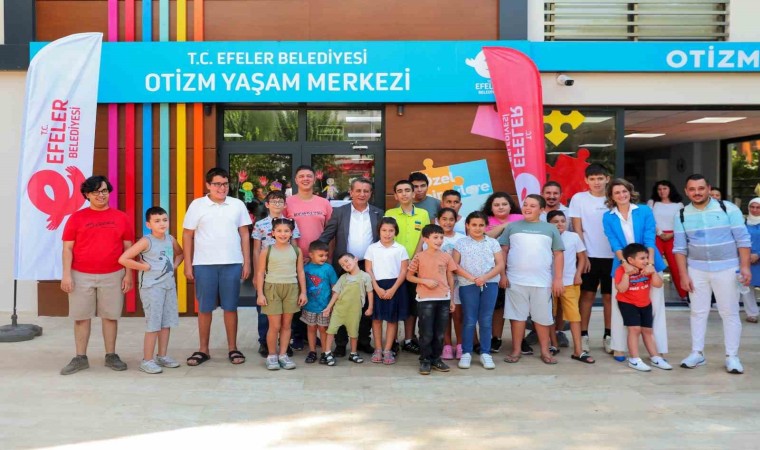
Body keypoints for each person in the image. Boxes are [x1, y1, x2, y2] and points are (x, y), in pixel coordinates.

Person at [674, 174, 752, 374]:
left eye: (701, 188)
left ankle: (732, 356)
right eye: (692, 189)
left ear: (708, 188)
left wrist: (745, 267)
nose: (697, 192)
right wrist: (683, 275)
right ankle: (697, 353)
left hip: (727, 269)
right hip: (696, 270)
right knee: (697, 312)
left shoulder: (728, 209)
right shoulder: (682, 214)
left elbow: (743, 240)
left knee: (729, 312)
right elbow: (680, 248)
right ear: (686, 191)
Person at [60, 176, 134, 375]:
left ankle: (111, 355)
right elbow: (67, 248)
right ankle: (80, 357)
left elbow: (128, 248)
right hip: (80, 275)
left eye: (104, 191)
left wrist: (128, 275)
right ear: (87, 195)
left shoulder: (121, 218)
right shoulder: (76, 218)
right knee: (81, 317)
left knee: (110, 317)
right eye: (96, 192)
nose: (101, 195)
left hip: (113, 274)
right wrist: (66, 275)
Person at [183, 168, 251, 367]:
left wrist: (247, 262)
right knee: (205, 308)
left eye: (225, 184)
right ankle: (203, 349)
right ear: (208, 185)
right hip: (204, 264)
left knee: (230, 307)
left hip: (232, 262)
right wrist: (188, 264)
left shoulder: (237, 204)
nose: (222, 188)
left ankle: (233, 348)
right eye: (217, 184)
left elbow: (244, 234)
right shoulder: (197, 205)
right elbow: (187, 234)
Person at [603, 178, 669, 363]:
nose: (621, 195)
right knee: (620, 307)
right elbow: (614, 242)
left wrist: (649, 264)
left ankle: (658, 349)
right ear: (611, 196)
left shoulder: (644, 210)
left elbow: (649, 237)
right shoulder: (608, 216)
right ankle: (619, 347)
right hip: (623, 265)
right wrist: (624, 263)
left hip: (649, 263)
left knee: (655, 308)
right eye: (617, 192)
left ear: (630, 192)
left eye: (624, 191)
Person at [318, 177, 383, 356]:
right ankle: (341, 344)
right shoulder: (340, 212)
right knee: (342, 304)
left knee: (365, 304)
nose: (362, 194)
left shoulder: (378, 213)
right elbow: (327, 235)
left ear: (371, 193)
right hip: (344, 266)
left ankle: (363, 341)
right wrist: (315, 253)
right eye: (358, 190)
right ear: (351, 192)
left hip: (367, 265)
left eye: (366, 191)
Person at [499, 195, 565, 365]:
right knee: (517, 317)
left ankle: (545, 351)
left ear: (542, 210)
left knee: (542, 318)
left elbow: (558, 254)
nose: (527, 208)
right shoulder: (512, 227)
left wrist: (558, 279)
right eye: (525, 204)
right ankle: (516, 350)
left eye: (533, 205)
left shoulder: (550, 229)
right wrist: (503, 275)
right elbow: (503, 251)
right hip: (515, 281)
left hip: (542, 282)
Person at [118, 207, 183, 374]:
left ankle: (162, 355)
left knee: (166, 322)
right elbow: (123, 258)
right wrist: (143, 267)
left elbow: (180, 254)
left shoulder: (170, 239)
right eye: (157, 221)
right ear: (149, 224)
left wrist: (174, 266)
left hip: (168, 286)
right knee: (153, 323)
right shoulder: (146, 241)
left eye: (164, 220)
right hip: (152, 288)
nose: (162, 224)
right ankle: (147, 360)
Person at [569, 163, 615, 354]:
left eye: (600, 178)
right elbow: (577, 228)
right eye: (593, 179)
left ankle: (609, 336)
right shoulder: (579, 198)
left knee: (609, 297)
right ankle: (583, 336)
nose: (597, 182)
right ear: (586, 180)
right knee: (586, 295)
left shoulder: (614, 197)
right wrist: (583, 255)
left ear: (607, 179)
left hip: (613, 256)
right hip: (589, 256)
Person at [286, 165, 333, 351]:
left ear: (314, 179)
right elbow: (281, 231)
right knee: (296, 298)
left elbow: (331, 231)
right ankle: (298, 336)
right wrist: (296, 257)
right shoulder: (288, 203)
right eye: (301, 176)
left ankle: (313, 334)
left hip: (318, 261)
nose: (305, 179)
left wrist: (327, 257)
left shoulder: (324, 203)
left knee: (316, 296)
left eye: (309, 176)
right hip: (294, 259)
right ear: (296, 180)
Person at [252, 190, 301, 357]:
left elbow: (295, 246)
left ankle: (285, 344)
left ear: (285, 205)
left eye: (280, 201)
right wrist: (256, 273)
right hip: (267, 273)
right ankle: (264, 343)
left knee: (287, 314)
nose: (277, 204)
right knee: (265, 311)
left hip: (286, 273)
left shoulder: (291, 223)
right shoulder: (260, 225)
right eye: (273, 201)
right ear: (267, 204)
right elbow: (256, 249)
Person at [452, 211, 505, 370]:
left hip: (490, 284)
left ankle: (485, 353)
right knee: (469, 319)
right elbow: (455, 265)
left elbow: (500, 264)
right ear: (467, 225)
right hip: (468, 284)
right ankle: (466, 352)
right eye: (474, 225)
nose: (477, 228)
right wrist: (473, 278)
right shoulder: (461, 243)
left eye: (481, 225)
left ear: (486, 226)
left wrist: (485, 277)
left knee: (486, 318)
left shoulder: (492, 243)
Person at [385, 179, 431, 355]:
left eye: (407, 190)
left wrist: (415, 258)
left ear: (413, 193)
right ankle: (393, 340)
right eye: (400, 191)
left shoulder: (423, 214)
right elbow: (387, 237)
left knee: (412, 304)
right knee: (395, 303)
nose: (404, 194)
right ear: (395, 196)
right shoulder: (390, 213)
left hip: (415, 266)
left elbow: (424, 237)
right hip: (394, 266)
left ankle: (409, 339)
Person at [256, 218, 307, 370]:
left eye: (286, 231)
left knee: (286, 325)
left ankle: (283, 354)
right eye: (279, 231)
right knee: (275, 325)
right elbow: (260, 273)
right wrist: (260, 293)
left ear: (291, 233)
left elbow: (300, 272)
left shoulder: (296, 251)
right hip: (272, 288)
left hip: (291, 288)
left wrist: (303, 292)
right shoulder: (267, 251)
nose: (283, 234)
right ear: (272, 233)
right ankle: (272, 355)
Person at [407, 224, 457, 375]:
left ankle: (436, 359)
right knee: (426, 332)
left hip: (443, 299)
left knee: (440, 332)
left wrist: (451, 299)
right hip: (425, 300)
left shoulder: (446, 256)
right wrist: (425, 281)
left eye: (441, 237)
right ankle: (425, 360)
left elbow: (450, 278)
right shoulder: (419, 256)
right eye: (435, 237)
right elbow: (409, 276)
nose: (439, 240)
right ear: (425, 239)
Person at [615, 243, 672, 371]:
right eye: (642, 258)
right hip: (628, 303)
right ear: (630, 260)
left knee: (647, 331)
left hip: (645, 303)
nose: (646, 261)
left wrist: (653, 272)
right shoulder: (620, 270)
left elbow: (658, 284)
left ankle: (655, 357)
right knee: (634, 329)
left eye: (647, 257)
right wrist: (626, 275)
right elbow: (621, 289)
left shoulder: (648, 269)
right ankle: (634, 359)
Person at [547, 210, 593, 363]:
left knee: (574, 316)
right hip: (548, 283)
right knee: (550, 315)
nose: (560, 224)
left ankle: (578, 350)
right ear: (548, 223)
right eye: (555, 221)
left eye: (562, 221)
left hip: (570, 283)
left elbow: (582, 257)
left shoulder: (573, 237)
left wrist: (578, 274)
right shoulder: (545, 237)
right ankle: (553, 344)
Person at [364, 217, 409, 365]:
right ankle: (378, 348)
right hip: (376, 285)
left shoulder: (400, 249)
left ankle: (388, 349)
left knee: (392, 319)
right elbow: (368, 269)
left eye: (391, 230)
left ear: (396, 232)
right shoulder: (372, 248)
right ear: (379, 231)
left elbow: (403, 271)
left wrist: (393, 289)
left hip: (395, 285)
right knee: (376, 319)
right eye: (384, 230)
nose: (387, 233)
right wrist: (376, 287)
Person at [482, 192, 522, 353]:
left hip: (518, 268)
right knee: (497, 307)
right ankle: (496, 338)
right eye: (496, 205)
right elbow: (484, 238)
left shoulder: (520, 218)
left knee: (518, 307)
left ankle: (521, 340)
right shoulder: (485, 220)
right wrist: (503, 226)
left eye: (504, 204)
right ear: (490, 207)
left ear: (511, 206)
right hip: (493, 270)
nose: (500, 207)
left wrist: (508, 224)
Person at [321, 253, 374, 366]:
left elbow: (369, 292)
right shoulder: (343, 278)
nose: (345, 265)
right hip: (339, 310)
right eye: (342, 265)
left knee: (354, 333)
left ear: (355, 259)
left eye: (346, 261)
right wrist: (329, 307)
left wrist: (370, 307)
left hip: (354, 311)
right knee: (331, 331)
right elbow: (336, 293)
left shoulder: (365, 276)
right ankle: (327, 353)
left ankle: (353, 353)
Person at [434, 208, 466, 359]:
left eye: (451, 219)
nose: (448, 222)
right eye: (444, 219)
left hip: (459, 282)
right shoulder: (434, 238)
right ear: (438, 220)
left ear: (456, 221)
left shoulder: (462, 238)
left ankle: (460, 344)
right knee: (444, 315)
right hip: (440, 283)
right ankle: (447, 345)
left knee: (458, 315)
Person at [647, 180, 687, 301]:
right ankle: (651, 296)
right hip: (656, 236)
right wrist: (660, 233)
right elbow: (649, 220)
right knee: (654, 266)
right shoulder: (652, 203)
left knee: (676, 267)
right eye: (659, 189)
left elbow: (682, 222)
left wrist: (672, 234)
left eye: (664, 188)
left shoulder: (679, 205)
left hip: (673, 237)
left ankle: (684, 295)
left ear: (670, 189)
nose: (662, 191)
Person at [301, 240, 338, 364]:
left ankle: (324, 352)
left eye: (326, 255)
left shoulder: (328, 268)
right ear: (311, 255)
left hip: (324, 307)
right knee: (311, 328)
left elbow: (335, 287)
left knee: (323, 329)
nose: (324, 258)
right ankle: (312, 351)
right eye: (321, 255)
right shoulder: (305, 268)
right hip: (309, 306)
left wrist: (332, 304)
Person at [743, 198, 760, 322]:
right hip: (746, 259)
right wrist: (747, 255)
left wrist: (758, 254)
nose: (754, 210)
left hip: (757, 257)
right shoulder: (743, 223)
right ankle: (752, 314)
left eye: (758, 207)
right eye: (752, 207)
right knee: (747, 287)